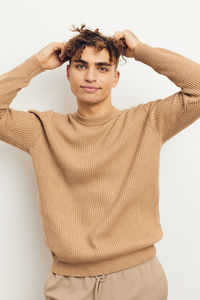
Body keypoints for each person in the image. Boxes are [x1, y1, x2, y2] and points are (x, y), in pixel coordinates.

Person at [0, 24, 200, 300]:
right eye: (81, 66)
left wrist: (142, 51)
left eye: (102, 68)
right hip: (67, 284)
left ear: (116, 77)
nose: (91, 76)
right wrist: (35, 65)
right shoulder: (42, 130)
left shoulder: (148, 122)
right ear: (68, 73)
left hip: (138, 281)